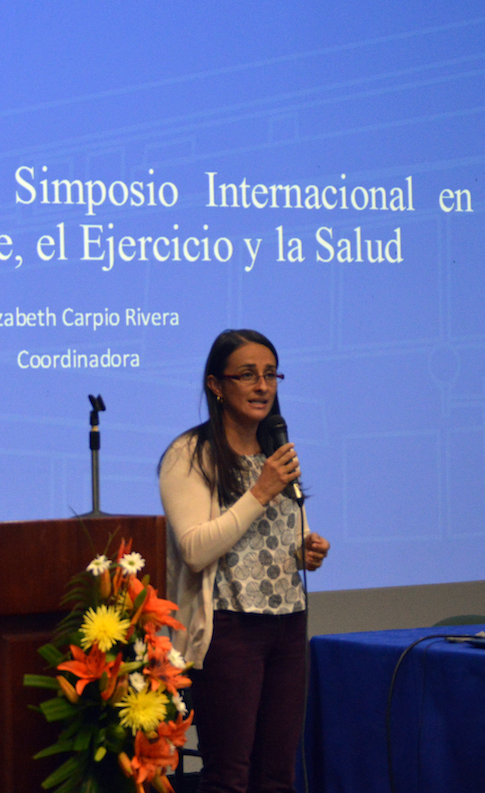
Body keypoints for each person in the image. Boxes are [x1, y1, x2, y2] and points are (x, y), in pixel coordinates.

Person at [159, 329, 330, 793]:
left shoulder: (275, 451)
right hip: (229, 631)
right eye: (248, 375)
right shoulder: (190, 455)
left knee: (277, 775)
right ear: (216, 384)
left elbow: (274, 539)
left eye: (271, 375)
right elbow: (195, 550)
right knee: (229, 775)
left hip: (288, 625)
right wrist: (260, 491)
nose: (262, 386)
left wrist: (306, 550)